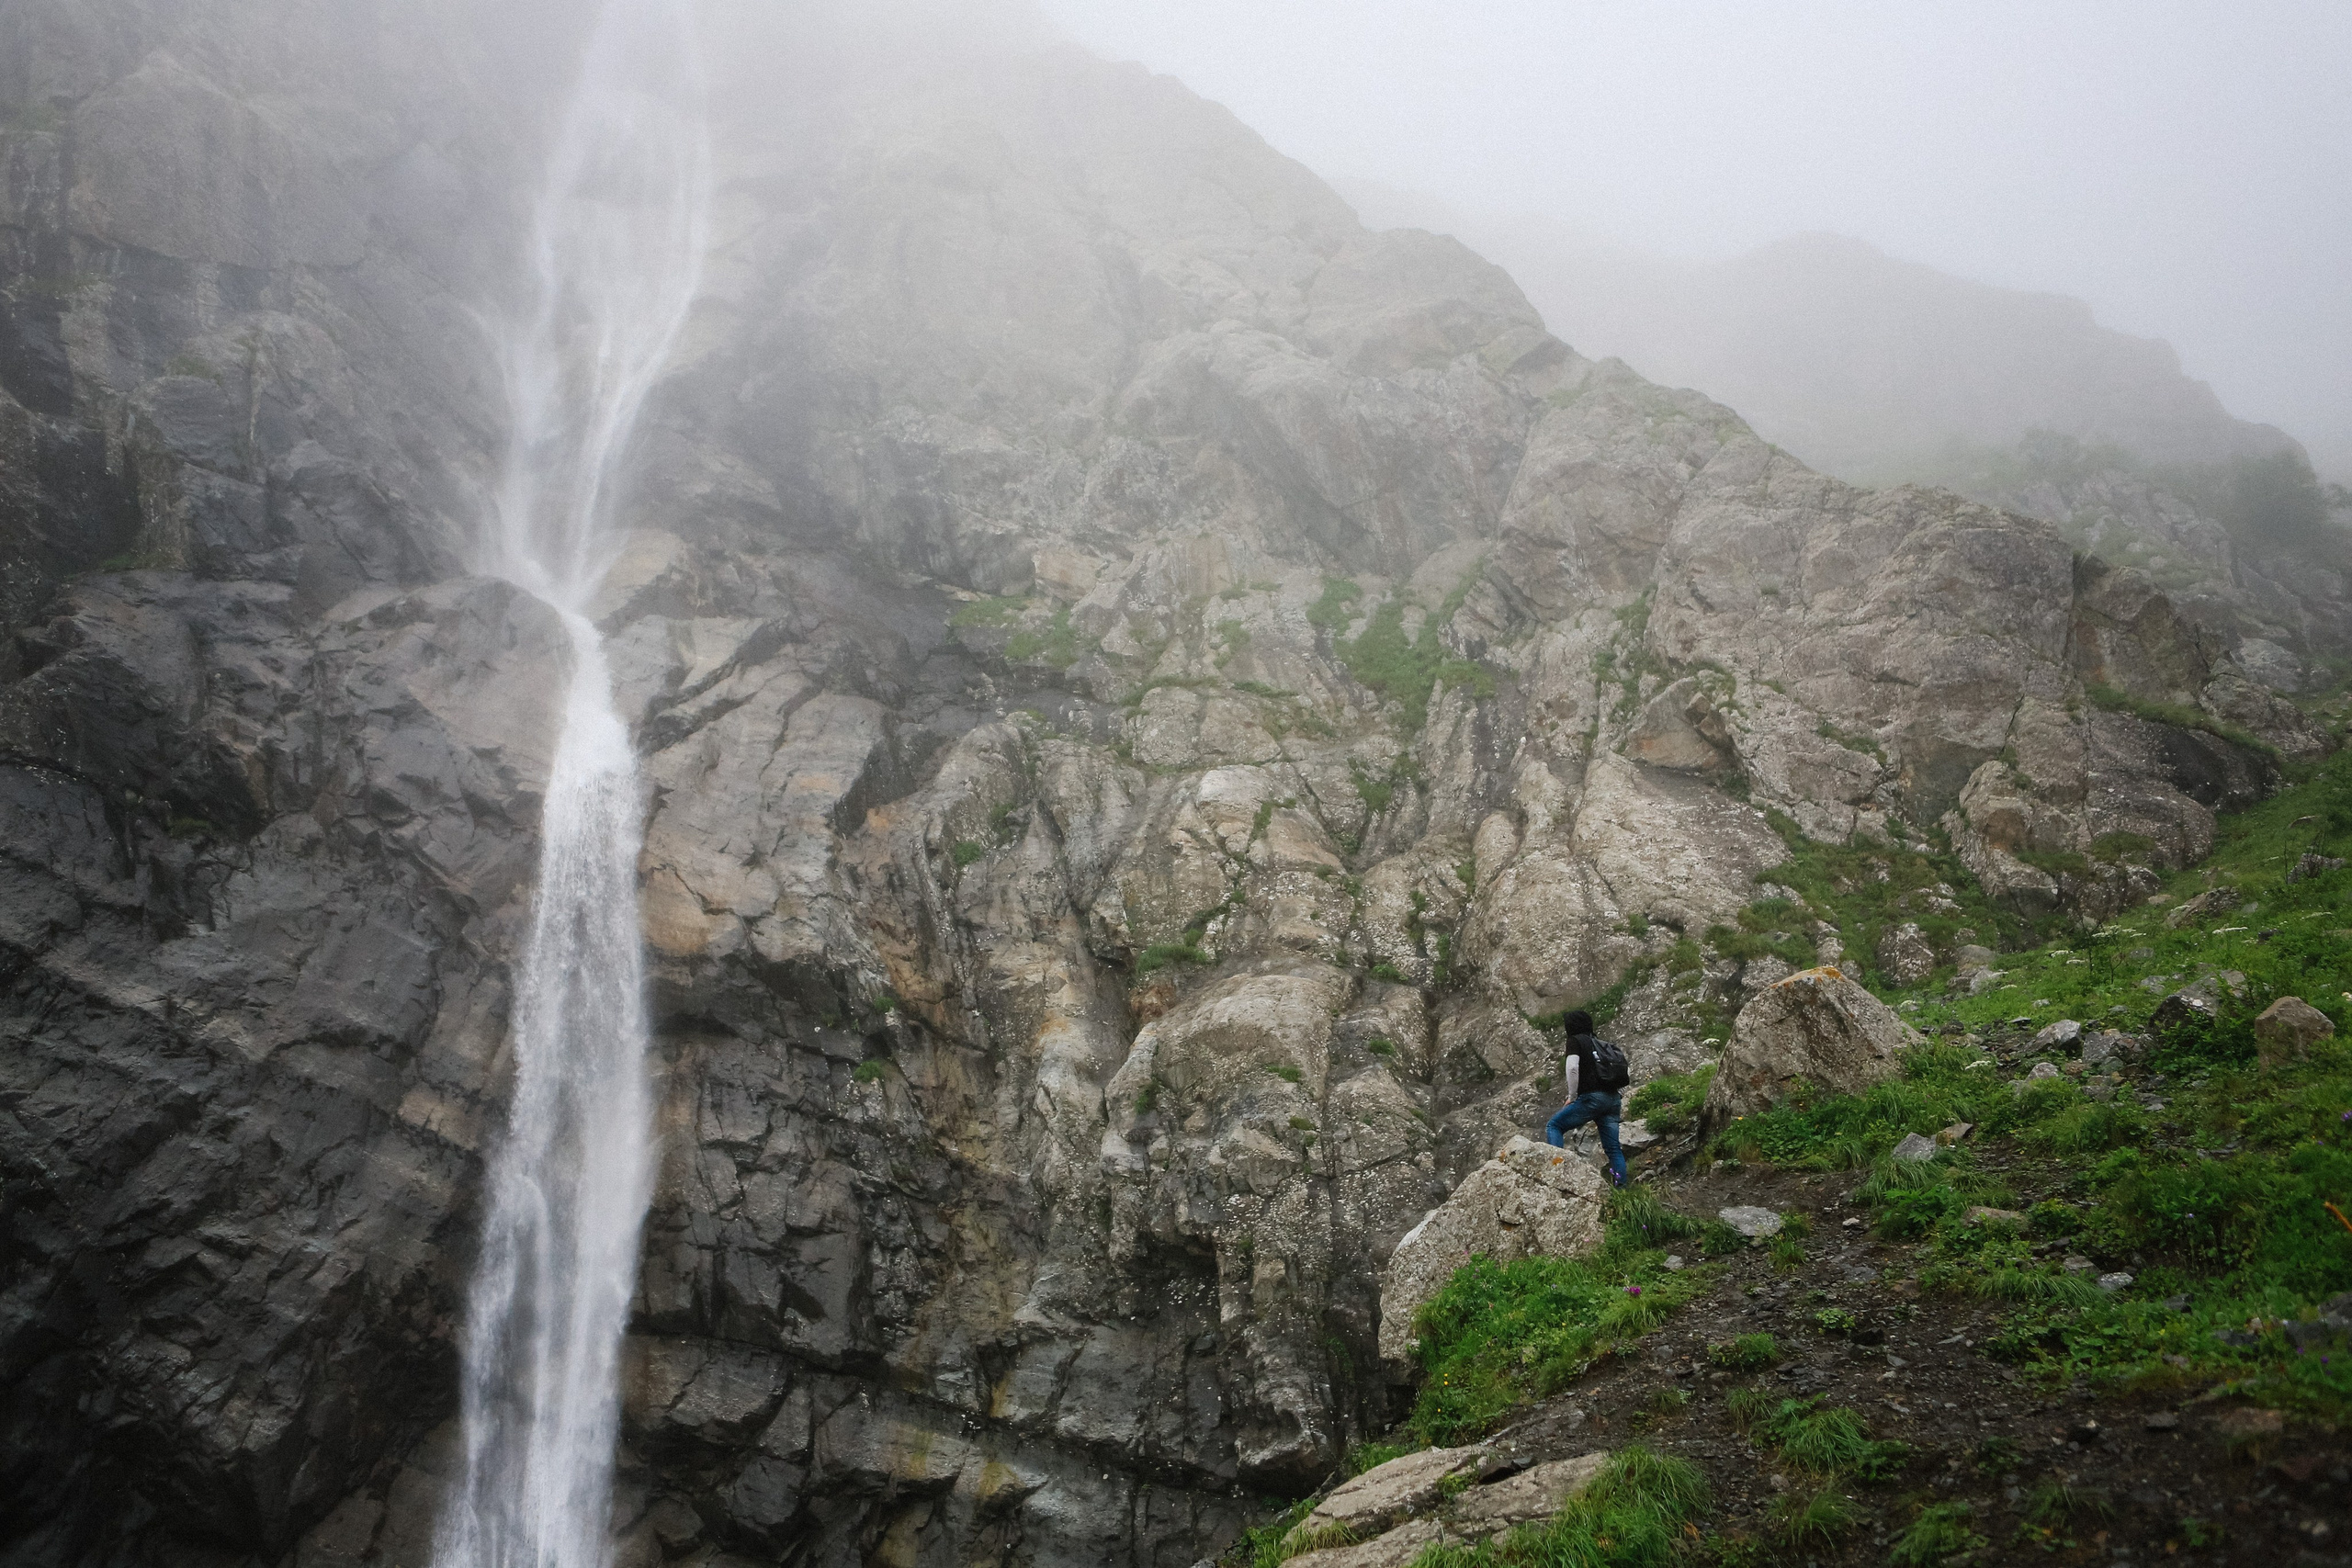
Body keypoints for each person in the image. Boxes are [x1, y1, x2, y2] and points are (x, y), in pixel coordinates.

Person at [1544, 1010, 1628, 1187]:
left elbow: (1573, 1068)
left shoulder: (1575, 1041)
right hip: (1613, 1099)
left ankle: (1556, 1177)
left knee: (1554, 1126)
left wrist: (1572, 1097)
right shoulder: (1599, 1043)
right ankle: (1622, 1191)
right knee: (1613, 1149)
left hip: (1593, 1098)